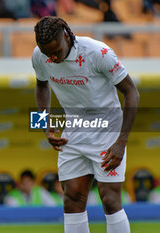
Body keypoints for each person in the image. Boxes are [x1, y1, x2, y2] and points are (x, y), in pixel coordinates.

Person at [33, 16, 139, 233]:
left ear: (66, 35)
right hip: (73, 131)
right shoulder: (39, 56)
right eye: (47, 53)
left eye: (56, 51)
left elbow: (132, 93)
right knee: (72, 198)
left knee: (109, 200)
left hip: (107, 132)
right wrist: (44, 127)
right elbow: (41, 86)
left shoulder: (97, 52)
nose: (52, 58)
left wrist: (121, 142)